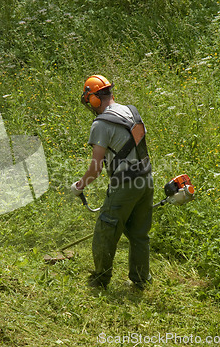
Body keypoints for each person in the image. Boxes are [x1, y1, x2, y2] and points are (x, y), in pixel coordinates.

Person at [70, 75, 154, 290]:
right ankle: (140, 279)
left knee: (105, 231)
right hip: (146, 178)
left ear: (95, 99)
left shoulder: (101, 124)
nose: (90, 105)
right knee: (139, 233)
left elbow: (96, 168)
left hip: (125, 184)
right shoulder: (131, 111)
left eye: (89, 100)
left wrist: (80, 185)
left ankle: (100, 279)